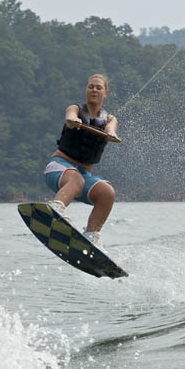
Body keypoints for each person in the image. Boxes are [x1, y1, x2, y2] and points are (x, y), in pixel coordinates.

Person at [43, 74, 119, 246]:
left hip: (84, 175)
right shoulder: (75, 109)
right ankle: (56, 210)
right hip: (59, 168)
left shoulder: (110, 119)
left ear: (105, 92)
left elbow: (111, 128)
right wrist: (73, 121)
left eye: (98, 87)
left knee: (108, 193)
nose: (94, 90)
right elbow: (70, 117)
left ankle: (91, 236)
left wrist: (111, 134)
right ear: (86, 89)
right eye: (91, 86)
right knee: (75, 178)